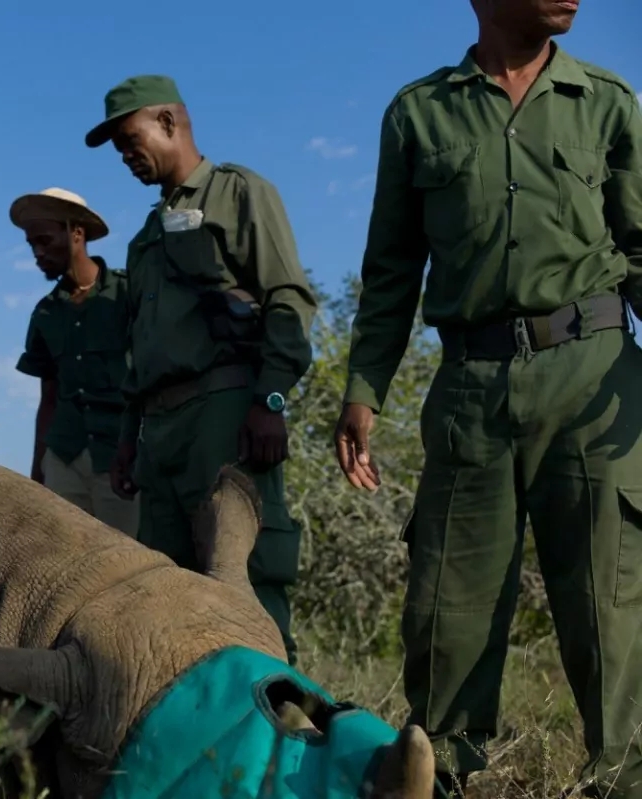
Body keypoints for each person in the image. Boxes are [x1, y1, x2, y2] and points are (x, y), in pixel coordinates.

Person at [332, 0, 642, 795]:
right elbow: (393, 266)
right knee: (449, 603)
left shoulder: (607, 100)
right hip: (471, 386)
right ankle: (444, 774)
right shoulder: (418, 114)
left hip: (596, 376)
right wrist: (363, 389)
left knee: (610, 599)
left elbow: (641, 246)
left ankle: (624, 775)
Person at [84, 75, 318, 664]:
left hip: (224, 414)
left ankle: (277, 734)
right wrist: (124, 442)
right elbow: (139, 350)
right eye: (116, 147)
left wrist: (269, 402)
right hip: (157, 432)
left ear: (168, 122)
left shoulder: (237, 193)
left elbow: (288, 301)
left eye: (129, 137)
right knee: (163, 591)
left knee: (244, 581)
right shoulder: (143, 237)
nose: (125, 155)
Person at [11, 187, 139, 537]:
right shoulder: (46, 312)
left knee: (127, 567)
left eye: (44, 240)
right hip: (64, 457)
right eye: (31, 245)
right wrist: (38, 472)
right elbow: (48, 398)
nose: (38, 253)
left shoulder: (128, 294)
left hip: (121, 456)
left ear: (77, 234)